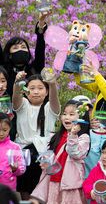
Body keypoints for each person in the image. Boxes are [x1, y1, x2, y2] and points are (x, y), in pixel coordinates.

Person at [30, 100, 91, 203]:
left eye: (71, 114)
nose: (66, 117)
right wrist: (45, 163)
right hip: (54, 180)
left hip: (70, 184)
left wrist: (72, 135)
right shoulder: (57, 136)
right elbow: (51, 156)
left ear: (81, 119)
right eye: (64, 114)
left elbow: (75, 153)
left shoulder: (83, 138)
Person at [13, 72, 60, 200]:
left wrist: (52, 84)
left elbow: (54, 98)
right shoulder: (23, 105)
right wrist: (17, 83)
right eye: (32, 88)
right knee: (24, 190)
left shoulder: (50, 107)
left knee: (42, 191)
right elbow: (16, 99)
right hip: (24, 153)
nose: (36, 92)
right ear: (26, 90)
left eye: (40, 88)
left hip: (43, 155)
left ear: (46, 92)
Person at [0, 113, 26, 191]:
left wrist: (15, 169)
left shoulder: (15, 147)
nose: (1, 134)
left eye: (5, 130)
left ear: (10, 128)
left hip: (8, 189)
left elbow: (22, 168)